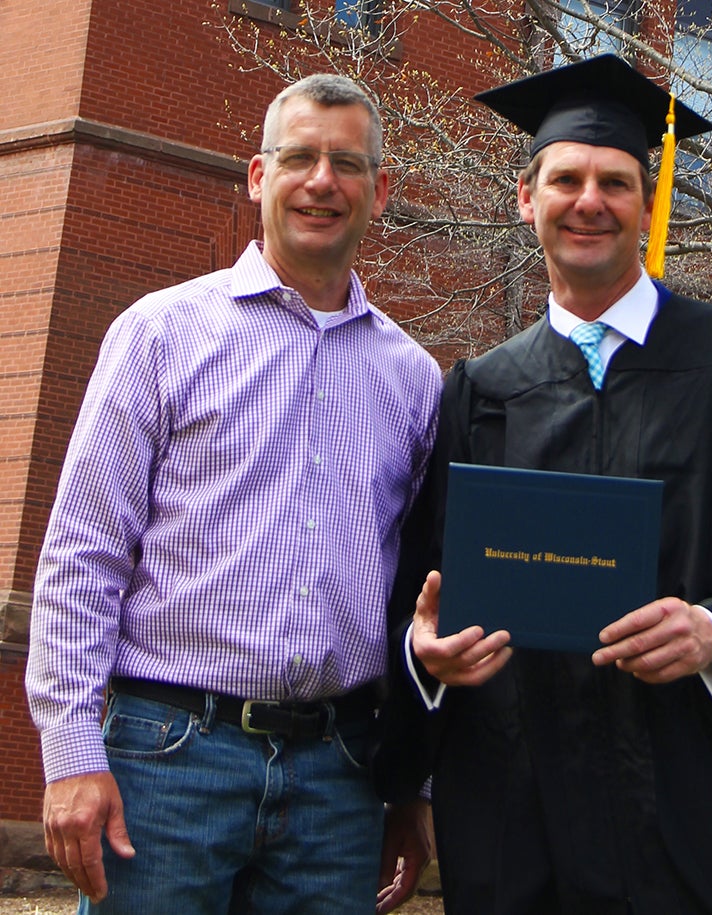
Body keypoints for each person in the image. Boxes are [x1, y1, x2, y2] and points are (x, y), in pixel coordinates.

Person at [376, 55, 712, 914]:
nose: (590, 200)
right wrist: (424, 662)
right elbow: (417, 588)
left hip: (693, 815)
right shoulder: (481, 391)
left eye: (616, 181)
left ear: (648, 204)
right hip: (516, 821)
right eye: (566, 178)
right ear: (528, 200)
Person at [25, 73, 442, 914]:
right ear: (258, 176)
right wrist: (71, 750)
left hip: (341, 777)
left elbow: (419, 597)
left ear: (381, 190)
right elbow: (82, 553)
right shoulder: (160, 335)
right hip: (167, 760)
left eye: (347, 164)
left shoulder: (415, 378)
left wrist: (411, 787)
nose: (322, 181)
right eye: (299, 158)